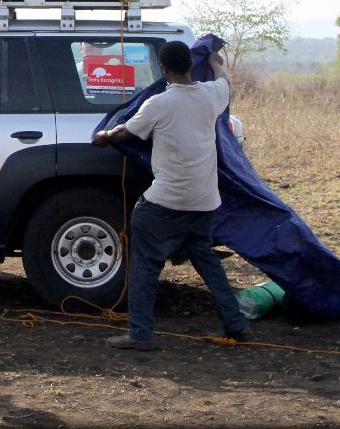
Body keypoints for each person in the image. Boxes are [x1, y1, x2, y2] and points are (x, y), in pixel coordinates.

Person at [91, 41, 249, 350]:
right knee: (208, 264)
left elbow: (126, 131)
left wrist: (104, 136)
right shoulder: (209, 96)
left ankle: (139, 333)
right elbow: (223, 82)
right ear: (191, 66)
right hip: (204, 201)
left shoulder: (158, 104)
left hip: (165, 201)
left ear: (163, 70)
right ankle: (236, 325)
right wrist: (216, 61)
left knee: (145, 264)